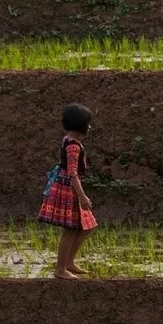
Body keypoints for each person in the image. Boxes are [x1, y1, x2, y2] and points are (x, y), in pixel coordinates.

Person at [37, 103, 97, 279]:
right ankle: (60, 269)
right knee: (70, 229)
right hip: (68, 190)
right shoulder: (73, 146)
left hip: (68, 187)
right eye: (88, 123)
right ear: (81, 126)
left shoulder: (68, 140)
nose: (89, 127)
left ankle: (69, 263)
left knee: (86, 226)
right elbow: (72, 174)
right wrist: (82, 196)